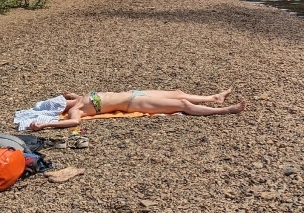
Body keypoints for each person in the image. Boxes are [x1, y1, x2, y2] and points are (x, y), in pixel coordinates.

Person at [28, 87, 246, 130]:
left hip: (135, 92)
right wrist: (46, 124)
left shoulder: (79, 99)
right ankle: (225, 110)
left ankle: (214, 97)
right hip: (135, 103)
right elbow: (73, 123)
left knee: (178, 93)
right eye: (60, 103)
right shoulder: (77, 111)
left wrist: (71, 95)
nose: (63, 102)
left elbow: (73, 97)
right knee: (183, 105)